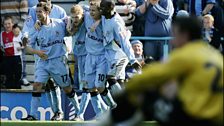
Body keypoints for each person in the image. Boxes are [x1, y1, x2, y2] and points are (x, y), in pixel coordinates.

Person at [108, 17, 223, 126]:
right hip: (216, 119)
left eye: (174, 34)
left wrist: (126, 89)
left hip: (195, 119)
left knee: (147, 95)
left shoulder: (185, 54)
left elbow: (151, 76)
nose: (172, 40)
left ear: (184, 35)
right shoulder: (216, 56)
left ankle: (107, 123)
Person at [21, 2, 80, 120]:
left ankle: (79, 112)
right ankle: (33, 115)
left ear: (47, 12)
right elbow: (27, 47)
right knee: (37, 85)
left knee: (67, 88)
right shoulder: (35, 29)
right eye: (36, 12)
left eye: (40, 12)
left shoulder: (59, 24)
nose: (37, 14)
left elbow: (71, 30)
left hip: (58, 61)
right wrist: (37, 52)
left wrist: (70, 26)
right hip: (43, 62)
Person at [100, 0, 142, 96]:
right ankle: (121, 103)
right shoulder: (105, 16)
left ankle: (123, 102)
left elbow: (125, 42)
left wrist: (132, 60)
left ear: (110, 8)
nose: (100, 10)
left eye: (103, 8)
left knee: (111, 78)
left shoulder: (116, 23)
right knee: (119, 79)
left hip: (119, 54)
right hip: (111, 53)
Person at [66, 4, 91, 121]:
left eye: (77, 17)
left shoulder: (87, 19)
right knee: (88, 85)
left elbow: (89, 8)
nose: (75, 20)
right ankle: (105, 110)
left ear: (82, 15)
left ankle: (80, 115)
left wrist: (83, 8)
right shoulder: (70, 22)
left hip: (89, 55)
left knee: (87, 85)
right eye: (73, 17)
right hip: (78, 55)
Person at [0, 16, 22, 89]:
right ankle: (9, 88)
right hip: (7, 57)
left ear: (12, 24)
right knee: (8, 74)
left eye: (9, 23)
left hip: (16, 56)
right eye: (5, 24)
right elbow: (1, 44)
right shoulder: (2, 34)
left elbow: (24, 39)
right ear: (3, 25)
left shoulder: (16, 32)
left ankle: (17, 88)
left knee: (17, 73)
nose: (7, 25)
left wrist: (22, 46)